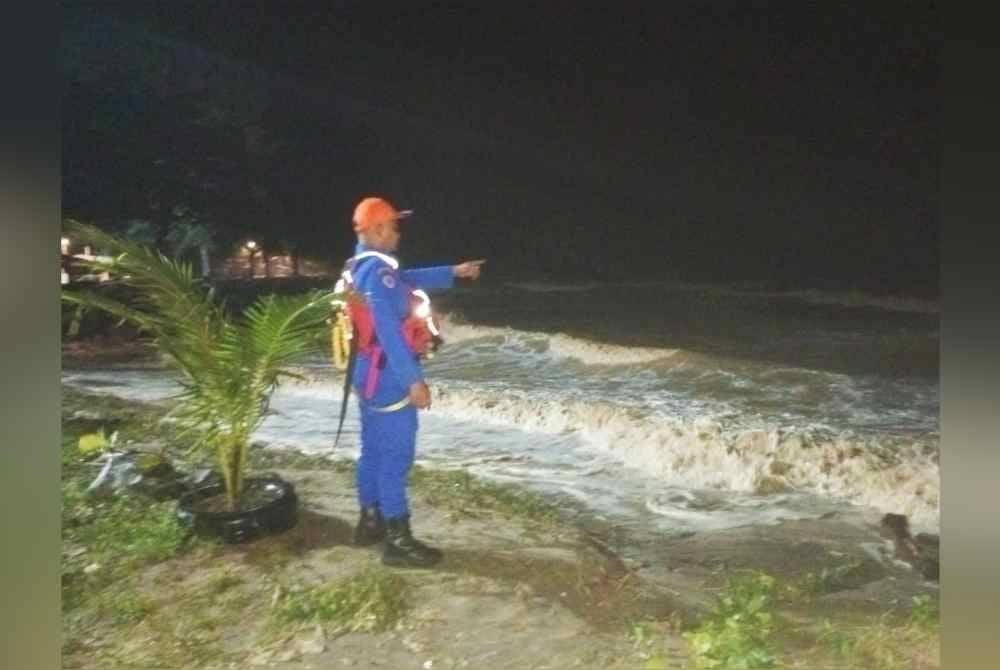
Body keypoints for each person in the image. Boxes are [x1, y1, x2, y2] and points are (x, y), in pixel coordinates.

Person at [342, 196, 484, 567]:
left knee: (372, 449)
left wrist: (454, 271)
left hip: (365, 373)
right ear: (376, 230)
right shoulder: (379, 275)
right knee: (395, 457)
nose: (398, 233)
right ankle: (398, 542)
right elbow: (389, 330)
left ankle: (369, 522)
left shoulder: (360, 267)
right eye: (393, 226)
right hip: (389, 376)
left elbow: (408, 280)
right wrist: (413, 381)